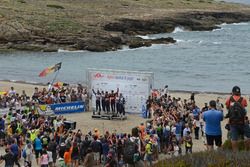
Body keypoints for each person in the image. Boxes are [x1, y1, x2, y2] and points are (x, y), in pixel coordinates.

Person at [225, 86, 250, 151]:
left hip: (232, 122)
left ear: (232, 92)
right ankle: (247, 150)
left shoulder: (229, 99)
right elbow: (245, 106)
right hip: (242, 122)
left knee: (234, 139)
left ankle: (235, 153)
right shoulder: (243, 99)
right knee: (248, 136)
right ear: (239, 92)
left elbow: (227, 108)